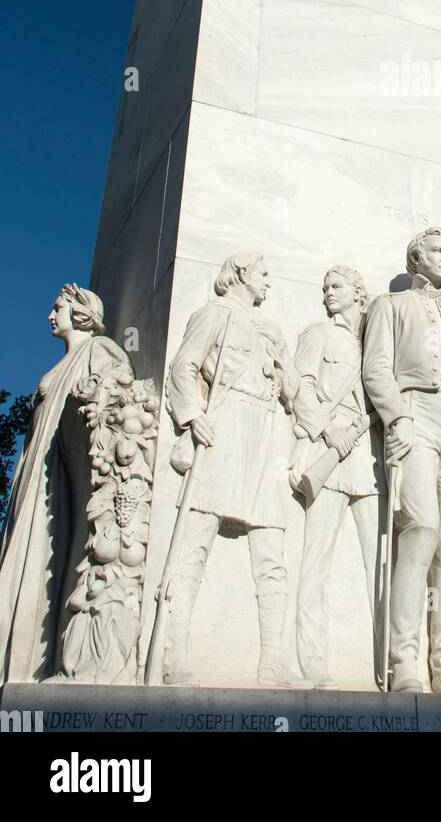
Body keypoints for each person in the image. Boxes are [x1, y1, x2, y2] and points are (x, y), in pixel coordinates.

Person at [361, 226, 441, 693]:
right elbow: (376, 368)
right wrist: (397, 417)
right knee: (421, 531)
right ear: (416, 258)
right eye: (438, 251)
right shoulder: (390, 306)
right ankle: (404, 662)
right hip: (418, 412)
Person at [163, 251, 297, 686]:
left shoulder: (271, 331)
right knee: (194, 544)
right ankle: (173, 652)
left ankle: (273, 661)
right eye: (264, 272)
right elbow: (182, 366)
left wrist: (283, 367)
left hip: (264, 433)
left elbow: (292, 394)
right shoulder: (214, 315)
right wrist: (190, 415)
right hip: (224, 424)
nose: (269, 282)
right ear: (241, 273)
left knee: (272, 551)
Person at [0, 284, 131, 683]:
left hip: (59, 473)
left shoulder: (98, 349)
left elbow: (118, 380)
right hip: (37, 469)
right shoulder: (67, 359)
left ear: (80, 313)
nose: (50, 315)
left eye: (58, 307)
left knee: (46, 552)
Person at [292, 266, 384, 688]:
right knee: (316, 565)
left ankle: (386, 660)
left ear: (357, 292)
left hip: (366, 458)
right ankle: (313, 661)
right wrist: (329, 432)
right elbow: (300, 388)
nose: (329, 292)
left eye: (337, 286)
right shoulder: (317, 334)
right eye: (325, 286)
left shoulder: (374, 344)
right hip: (331, 450)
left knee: (380, 564)